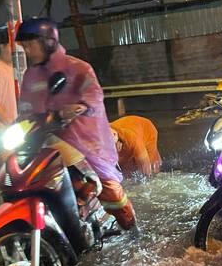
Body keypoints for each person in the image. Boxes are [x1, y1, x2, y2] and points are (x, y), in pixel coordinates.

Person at [16, 18, 135, 230]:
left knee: (111, 195)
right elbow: (25, 107)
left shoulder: (78, 68)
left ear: (48, 42)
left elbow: (94, 95)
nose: (27, 50)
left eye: (30, 44)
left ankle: (132, 228)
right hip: (48, 139)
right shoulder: (31, 75)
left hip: (86, 141)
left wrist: (77, 107)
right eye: (24, 46)